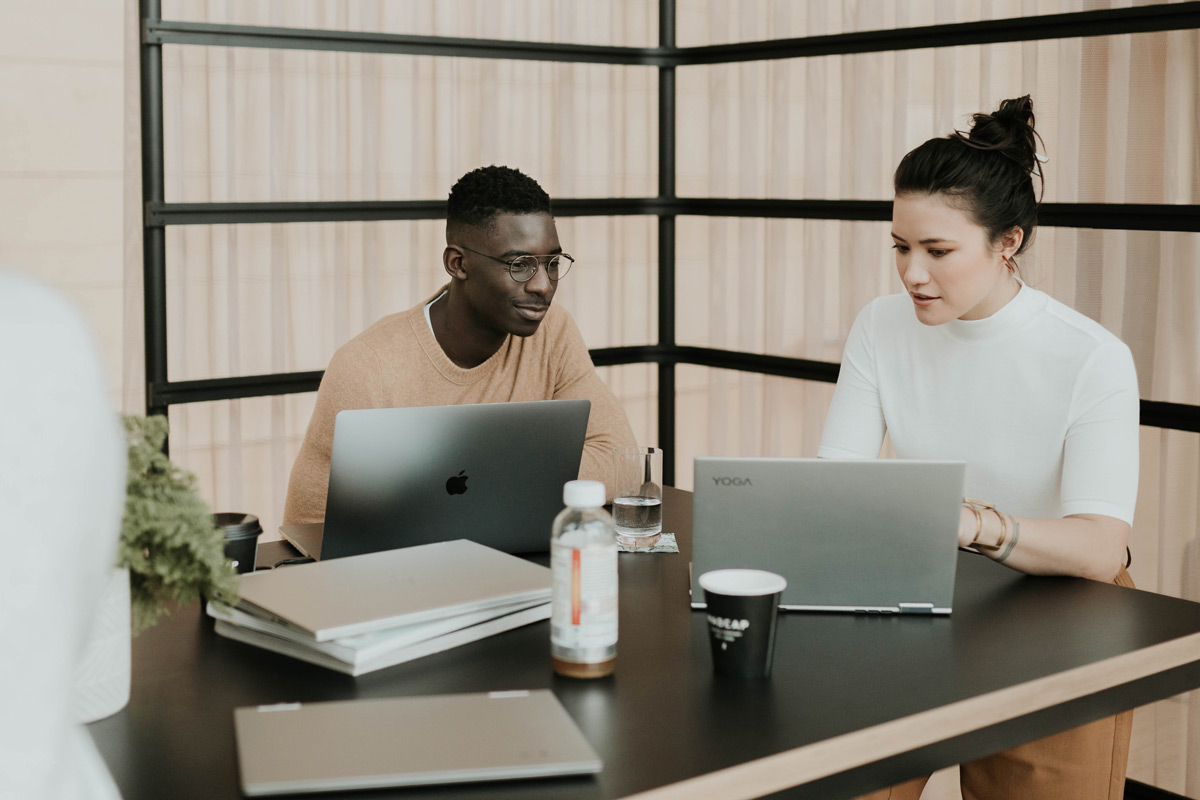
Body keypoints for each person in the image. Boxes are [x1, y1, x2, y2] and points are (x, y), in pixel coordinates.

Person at [818, 97, 1140, 800]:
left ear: (1008, 242)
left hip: (1060, 615)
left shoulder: (1091, 356)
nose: (912, 274)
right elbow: (835, 483)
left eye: (938, 251)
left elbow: (1100, 547)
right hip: (918, 593)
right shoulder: (880, 326)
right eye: (900, 247)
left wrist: (970, 524)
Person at [284, 165, 638, 525]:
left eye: (552, 263)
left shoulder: (553, 330)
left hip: (518, 551)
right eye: (520, 265)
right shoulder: (367, 367)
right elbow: (311, 525)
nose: (543, 285)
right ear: (458, 264)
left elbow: (622, 462)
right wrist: (527, 475)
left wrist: (467, 484)